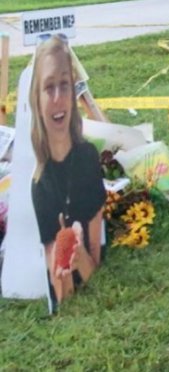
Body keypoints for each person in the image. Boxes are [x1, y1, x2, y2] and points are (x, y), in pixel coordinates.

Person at [29, 34, 106, 307]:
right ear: (36, 100)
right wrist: (63, 265)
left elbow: (95, 271)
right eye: (49, 88)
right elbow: (60, 291)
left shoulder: (87, 160)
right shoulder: (40, 184)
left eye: (65, 85)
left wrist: (79, 255)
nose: (59, 98)